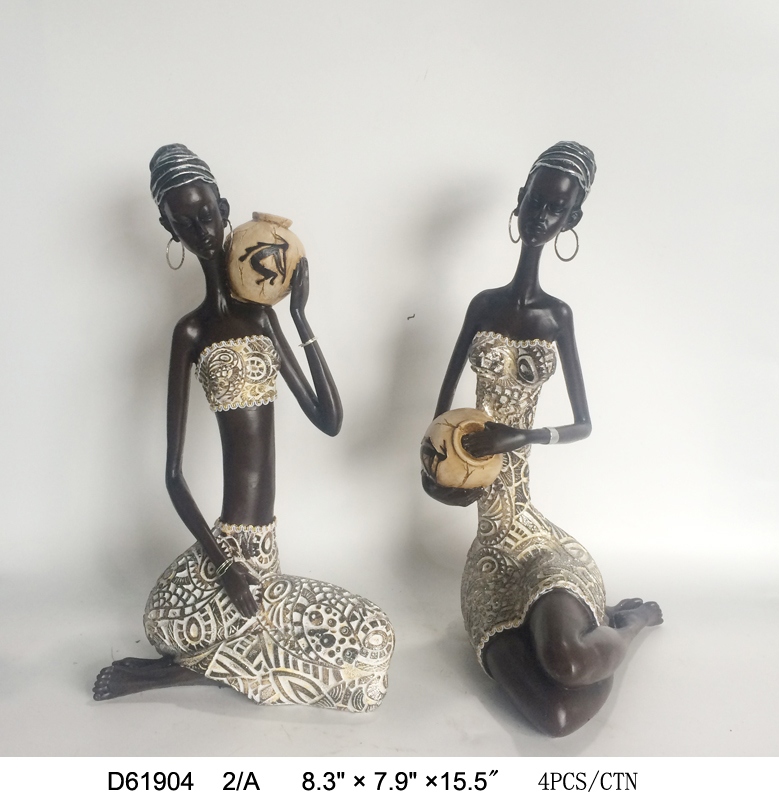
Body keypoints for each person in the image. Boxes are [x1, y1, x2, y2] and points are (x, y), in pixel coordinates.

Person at [94, 145, 393, 711]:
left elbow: (329, 420)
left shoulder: (262, 315)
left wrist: (300, 316)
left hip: (263, 549)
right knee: (161, 618)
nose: (201, 229)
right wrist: (225, 566)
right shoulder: (190, 332)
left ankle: (186, 670)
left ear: (225, 208)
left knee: (375, 642)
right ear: (169, 229)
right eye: (184, 222)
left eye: (206, 213)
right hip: (225, 549)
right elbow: (174, 476)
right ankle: (209, 661)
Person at [422, 142, 662, 736]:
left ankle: (626, 626)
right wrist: (438, 479)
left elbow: (583, 423)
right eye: (536, 200)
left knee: (569, 663)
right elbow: (439, 418)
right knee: (554, 716)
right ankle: (595, 634)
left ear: (570, 220)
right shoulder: (483, 306)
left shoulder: (557, 317)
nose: (541, 216)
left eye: (557, 209)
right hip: (487, 556)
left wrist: (520, 435)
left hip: (533, 539)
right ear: (521, 198)